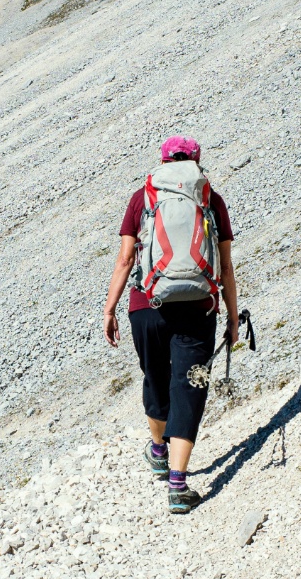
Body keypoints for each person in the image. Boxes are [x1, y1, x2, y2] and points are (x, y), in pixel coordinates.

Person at [102, 136, 239, 514]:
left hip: (148, 304)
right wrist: (231, 316)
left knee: (155, 376)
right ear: (196, 160)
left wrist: (110, 308)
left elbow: (126, 259)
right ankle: (178, 485)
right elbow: (225, 266)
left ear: (162, 161)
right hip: (198, 305)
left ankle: (159, 452)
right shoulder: (210, 197)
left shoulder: (142, 196)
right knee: (189, 385)